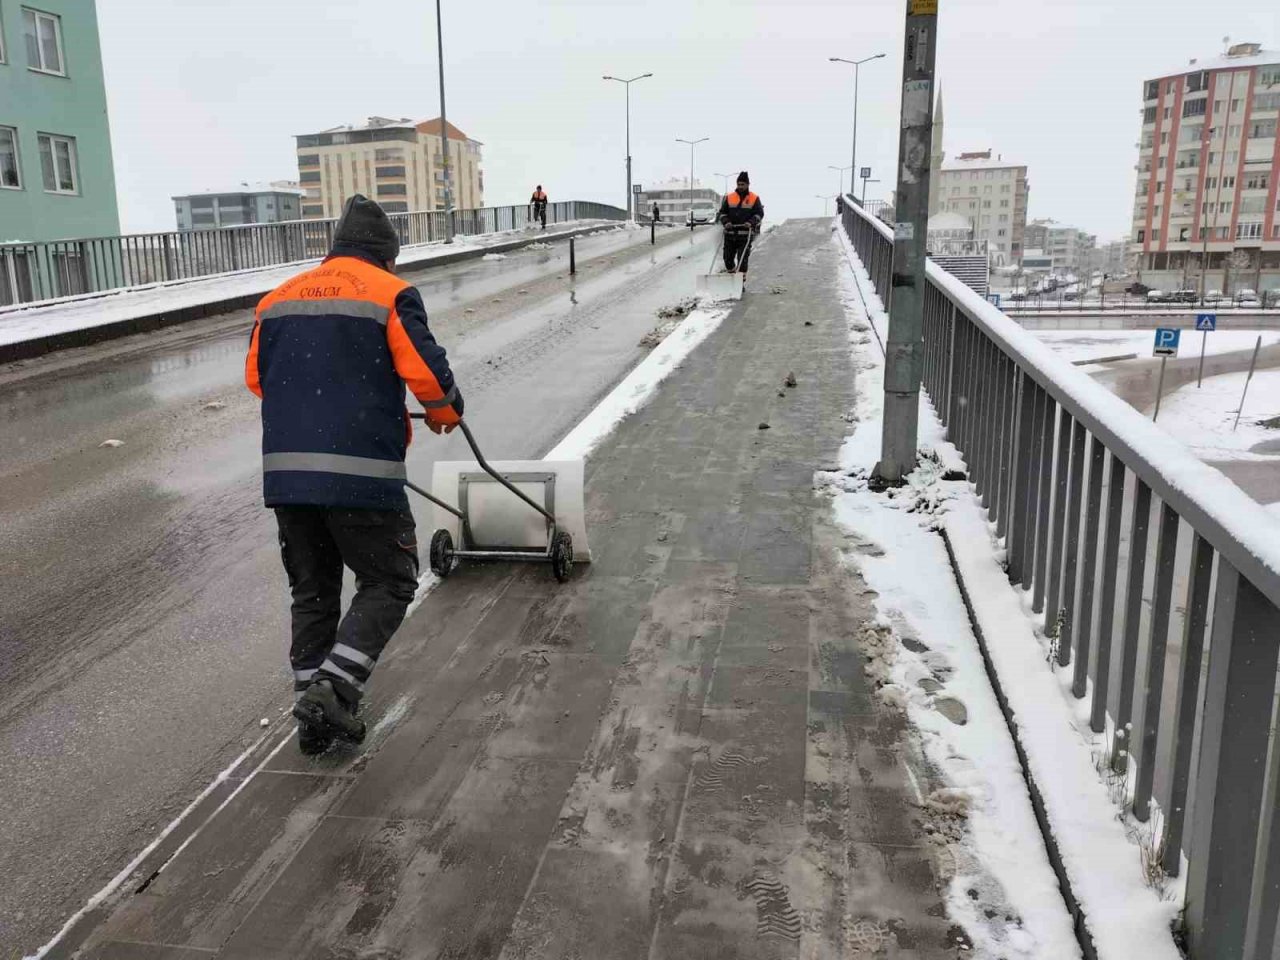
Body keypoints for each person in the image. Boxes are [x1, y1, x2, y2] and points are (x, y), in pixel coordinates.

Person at [244, 194, 464, 754]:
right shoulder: (391, 293)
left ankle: (313, 723)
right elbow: (426, 374)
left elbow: (257, 379)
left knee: (313, 593)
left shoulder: (276, 299)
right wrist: (444, 412)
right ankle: (334, 689)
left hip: (288, 478)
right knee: (389, 581)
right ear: (385, 257)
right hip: (361, 473)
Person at [717, 171, 764, 279]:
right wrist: (726, 222)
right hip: (730, 234)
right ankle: (733, 277)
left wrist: (751, 222)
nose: (740, 186)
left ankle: (740, 283)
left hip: (745, 235)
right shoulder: (729, 197)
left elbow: (759, 213)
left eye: (742, 184)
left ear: (748, 184)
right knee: (727, 259)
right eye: (738, 184)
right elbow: (722, 213)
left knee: (742, 260)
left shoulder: (754, 198)